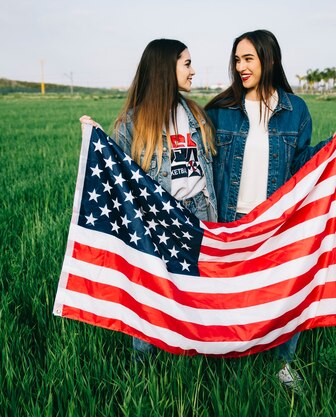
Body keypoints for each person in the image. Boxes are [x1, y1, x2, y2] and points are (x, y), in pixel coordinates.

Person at [204, 29, 336, 390]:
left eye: (248, 59)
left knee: (284, 292)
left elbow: (302, 164)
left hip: (275, 223)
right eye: (237, 59)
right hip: (230, 221)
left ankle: (282, 366)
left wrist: (331, 146)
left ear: (269, 59)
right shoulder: (219, 110)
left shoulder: (295, 110)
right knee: (228, 297)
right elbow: (200, 162)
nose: (240, 66)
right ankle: (223, 363)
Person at [80, 38, 218, 357]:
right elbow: (119, 175)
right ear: (164, 69)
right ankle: (146, 367)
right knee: (151, 290)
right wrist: (97, 140)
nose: (193, 71)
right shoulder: (132, 123)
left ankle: (198, 353)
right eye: (186, 63)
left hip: (200, 213)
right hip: (156, 218)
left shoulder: (198, 114)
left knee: (198, 289)